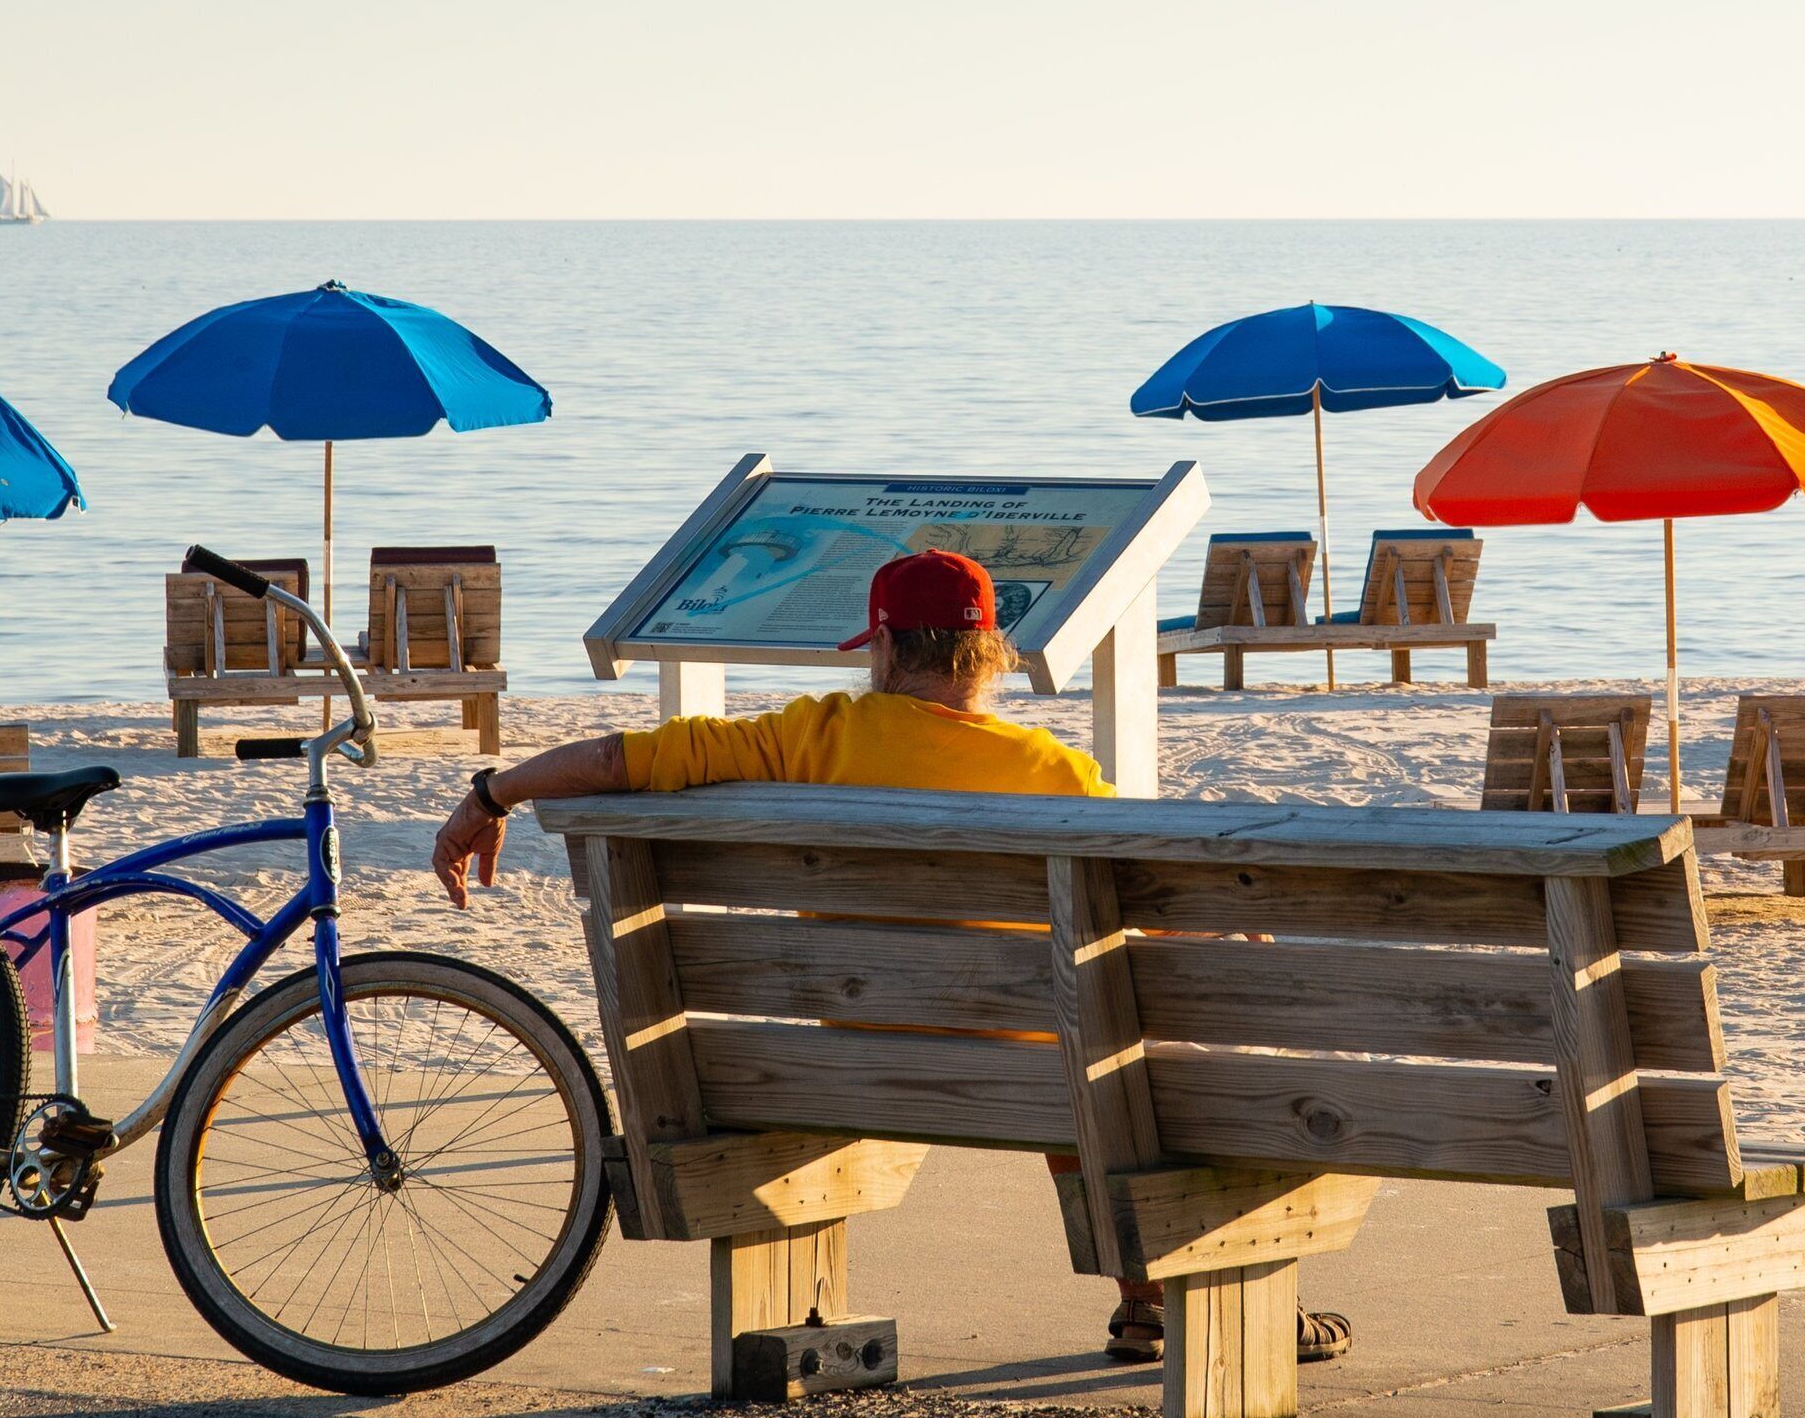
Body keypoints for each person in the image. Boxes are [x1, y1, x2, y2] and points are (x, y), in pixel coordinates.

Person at [431, 547, 1348, 1368]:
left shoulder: (807, 736)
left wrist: (490, 792)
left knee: (1076, 1048)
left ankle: (1138, 1300)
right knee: (1112, 1053)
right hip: (1024, 1075)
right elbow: (1147, 908)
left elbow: (609, 758)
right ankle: (1154, 1299)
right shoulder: (1050, 772)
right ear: (990, 654)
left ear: (883, 647)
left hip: (828, 1064)